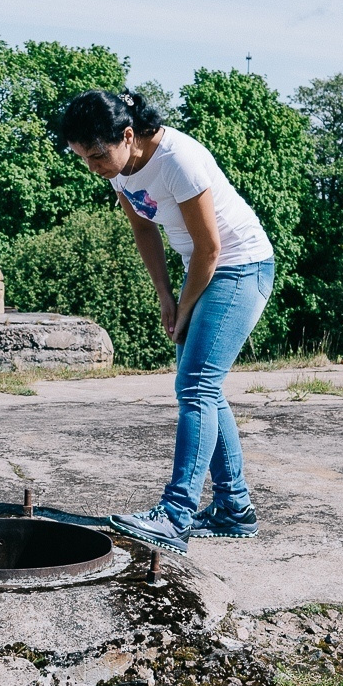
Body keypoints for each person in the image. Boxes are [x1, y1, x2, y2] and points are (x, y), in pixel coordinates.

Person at [59, 89, 274, 553]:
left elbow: (211, 248)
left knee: (197, 387)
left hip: (239, 267)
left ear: (128, 134)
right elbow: (143, 229)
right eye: (83, 158)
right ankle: (235, 509)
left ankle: (175, 515)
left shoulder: (179, 159)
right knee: (201, 388)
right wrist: (165, 297)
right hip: (200, 269)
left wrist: (186, 302)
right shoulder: (120, 168)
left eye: (98, 155)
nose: (94, 167)